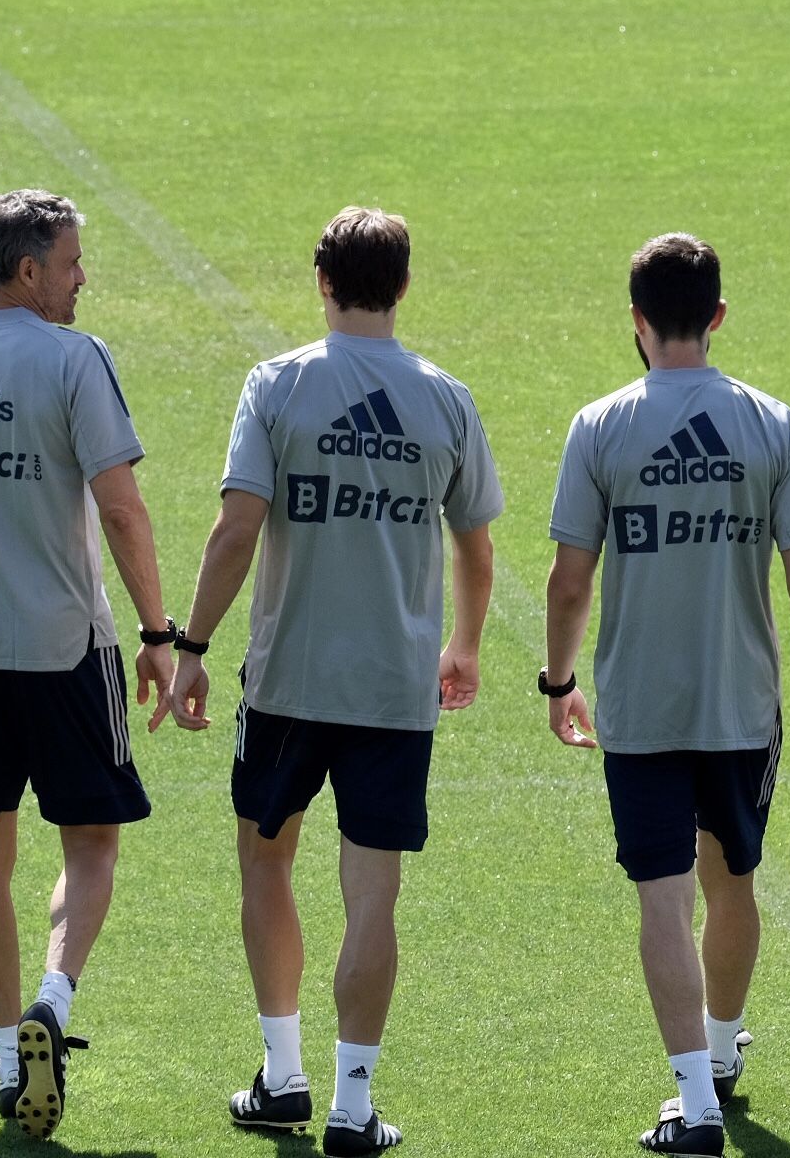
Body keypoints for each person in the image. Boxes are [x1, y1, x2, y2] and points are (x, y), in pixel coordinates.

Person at [166, 206, 502, 1158]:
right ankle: (354, 1107)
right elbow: (476, 547)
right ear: (402, 285)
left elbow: (237, 529)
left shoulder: (277, 386)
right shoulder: (445, 398)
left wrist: (191, 646)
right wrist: (466, 647)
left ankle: (282, 1076)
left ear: (321, 279)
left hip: (285, 684)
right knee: (374, 897)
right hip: (395, 693)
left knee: (266, 864)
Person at [544, 233, 790, 1157]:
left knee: (663, 900)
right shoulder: (771, 422)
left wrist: (558, 681)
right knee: (733, 885)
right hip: (741, 708)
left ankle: (695, 1100)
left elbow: (569, 579)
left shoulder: (600, 425)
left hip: (639, 709)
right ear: (717, 317)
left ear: (636, 320)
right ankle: (718, 1054)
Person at [0, 189, 176, 1138]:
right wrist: (159, 633)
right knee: (90, 842)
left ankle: (9, 1047)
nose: (83, 276)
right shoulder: (72, 358)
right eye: (72, 261)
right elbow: (124, 508)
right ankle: (55, 1000)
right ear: (29, 271)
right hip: (63, 646)